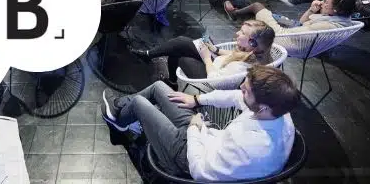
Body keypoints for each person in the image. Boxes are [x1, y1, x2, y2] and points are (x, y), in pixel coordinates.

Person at [101, 66, 300, 181]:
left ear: (263, 107)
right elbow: (235, 97)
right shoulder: (278, 112)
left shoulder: (251, 147)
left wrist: (194, 129)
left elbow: (199, 171)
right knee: (159, 88)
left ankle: (119, 117)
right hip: (203, 137)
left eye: (246, 90)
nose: (240, 88)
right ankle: (120, 110)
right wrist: (196, 100)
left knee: (139, 103)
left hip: (186, 159)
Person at [129, 21, 275, 86]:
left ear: (252, 43)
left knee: (179, 51)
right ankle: (168, 77)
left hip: (210, 79)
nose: (237, 33)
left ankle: (150, 57)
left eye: (242, 33)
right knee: (181, 43)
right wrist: (214, 49)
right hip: (215, 64)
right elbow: (233, 55)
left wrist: (206, 58)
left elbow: (215, 81)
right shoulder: (251, 53)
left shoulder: (241, 67)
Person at [225, 0, 357, 35]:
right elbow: (301, 24)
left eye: (325, 2)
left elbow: (283, 34)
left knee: (257, 6)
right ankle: (238, 12)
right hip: (295, 28)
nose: (322, 3)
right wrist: (311, 10)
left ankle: (235, 13)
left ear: (335, 9)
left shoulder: (324, 26)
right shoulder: (336, 18)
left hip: (282, 36)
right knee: (262, 8)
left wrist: (270, 21)